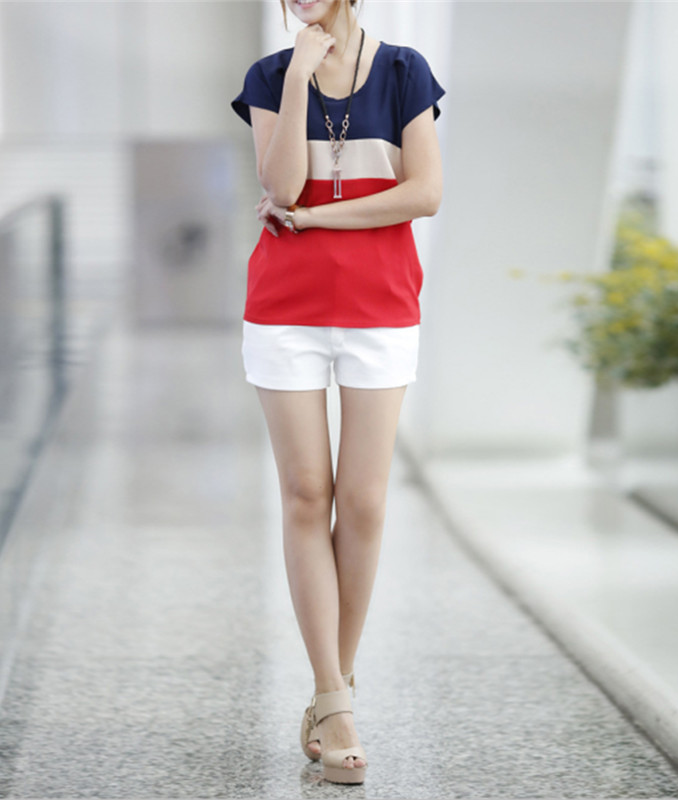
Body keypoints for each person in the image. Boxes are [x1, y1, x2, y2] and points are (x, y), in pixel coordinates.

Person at [231, 0, 444, 785]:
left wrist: (320, 221)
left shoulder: (404, 71)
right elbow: (281, 183)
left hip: (381, 307)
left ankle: (333, 689)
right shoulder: (268, 76)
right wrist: (296, 78)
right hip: (284, 309)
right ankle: (335, 699)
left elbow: (424, 193)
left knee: (363, 502)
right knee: (304, 495)